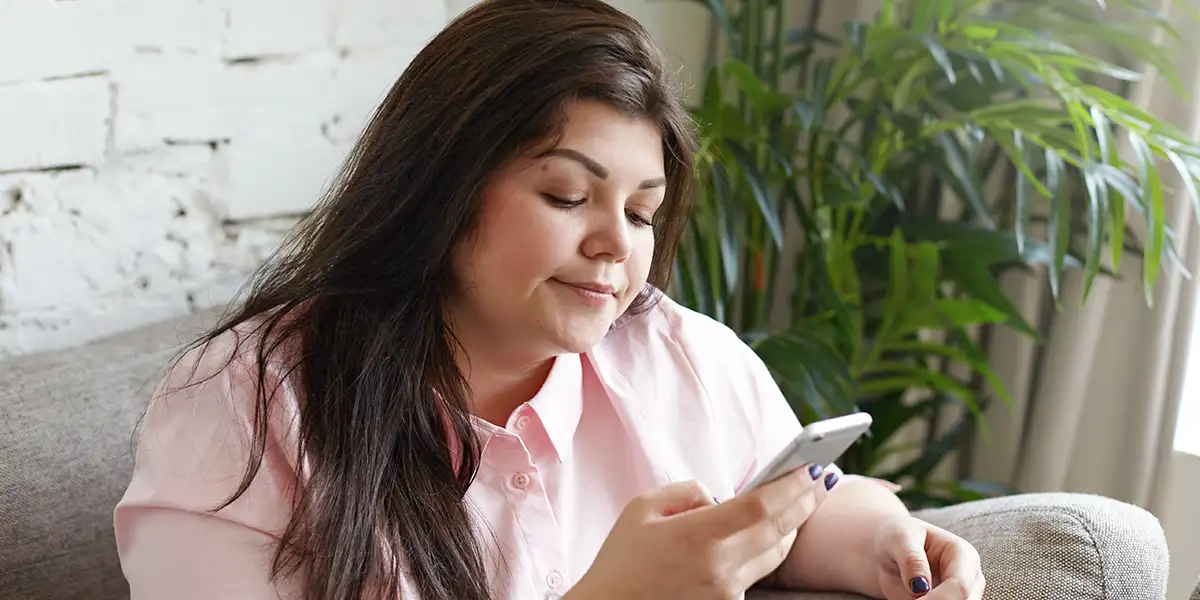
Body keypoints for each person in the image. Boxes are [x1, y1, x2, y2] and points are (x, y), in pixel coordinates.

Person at [113, 1, 985, 599]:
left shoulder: (679, 358)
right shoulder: (244, 407)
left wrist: (885, 540)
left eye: (643, 212)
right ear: (442, 189)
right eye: (568, 196)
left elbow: (800, 502)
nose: (617, 244)